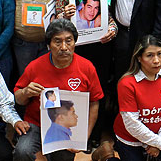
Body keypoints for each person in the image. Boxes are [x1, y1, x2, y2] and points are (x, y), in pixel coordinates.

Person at [13, 19, 103, 161]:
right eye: (57, 41)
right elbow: (18, 98)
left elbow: (94, 103)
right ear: (49, 45)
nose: (64, 47)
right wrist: (25, 92)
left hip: (66, 125)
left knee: (64, 156)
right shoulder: (35, 66)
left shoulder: (87, 68)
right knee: (22, 151)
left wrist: (84, 136)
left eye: (69, 41)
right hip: (35, 123)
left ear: (75, 43)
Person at [113, 36, 161, 161]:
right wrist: (160, 144)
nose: (156, 60)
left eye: (159, 54)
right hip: (131, 139)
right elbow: (132, 123)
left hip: (160, 135)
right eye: (149, 55)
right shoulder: (127, 83)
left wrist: (160, 141)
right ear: (139, 58)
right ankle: (107, 157)